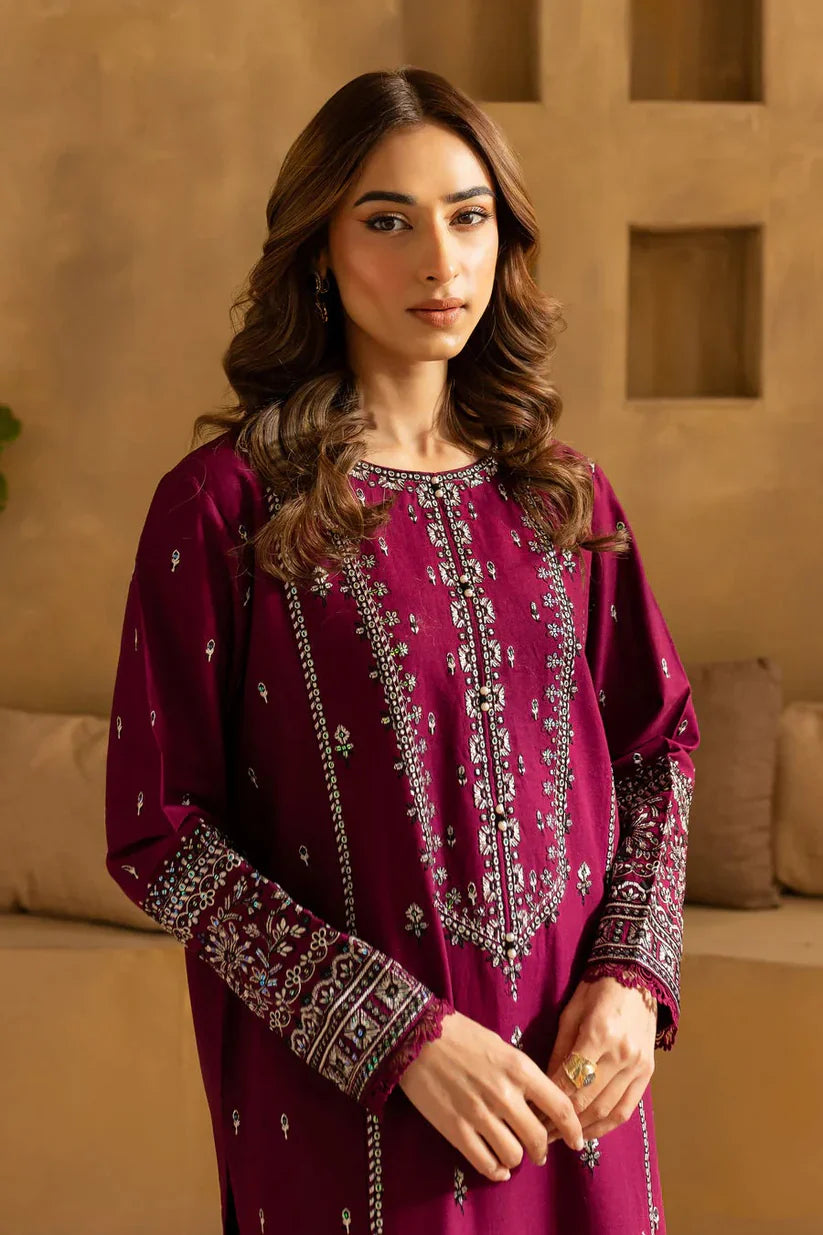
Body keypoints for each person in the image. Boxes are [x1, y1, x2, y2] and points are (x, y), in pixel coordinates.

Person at [105, 66, 699, 1235]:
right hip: (355, 1107)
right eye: (388, 219)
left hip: (574, 1086)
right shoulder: (226, 507)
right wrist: (396, 1033)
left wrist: (633, 976)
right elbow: (161, 831)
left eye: (468, 215)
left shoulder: (563, 497)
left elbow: (656, 747)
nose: (441, 258)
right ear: (319, 250)